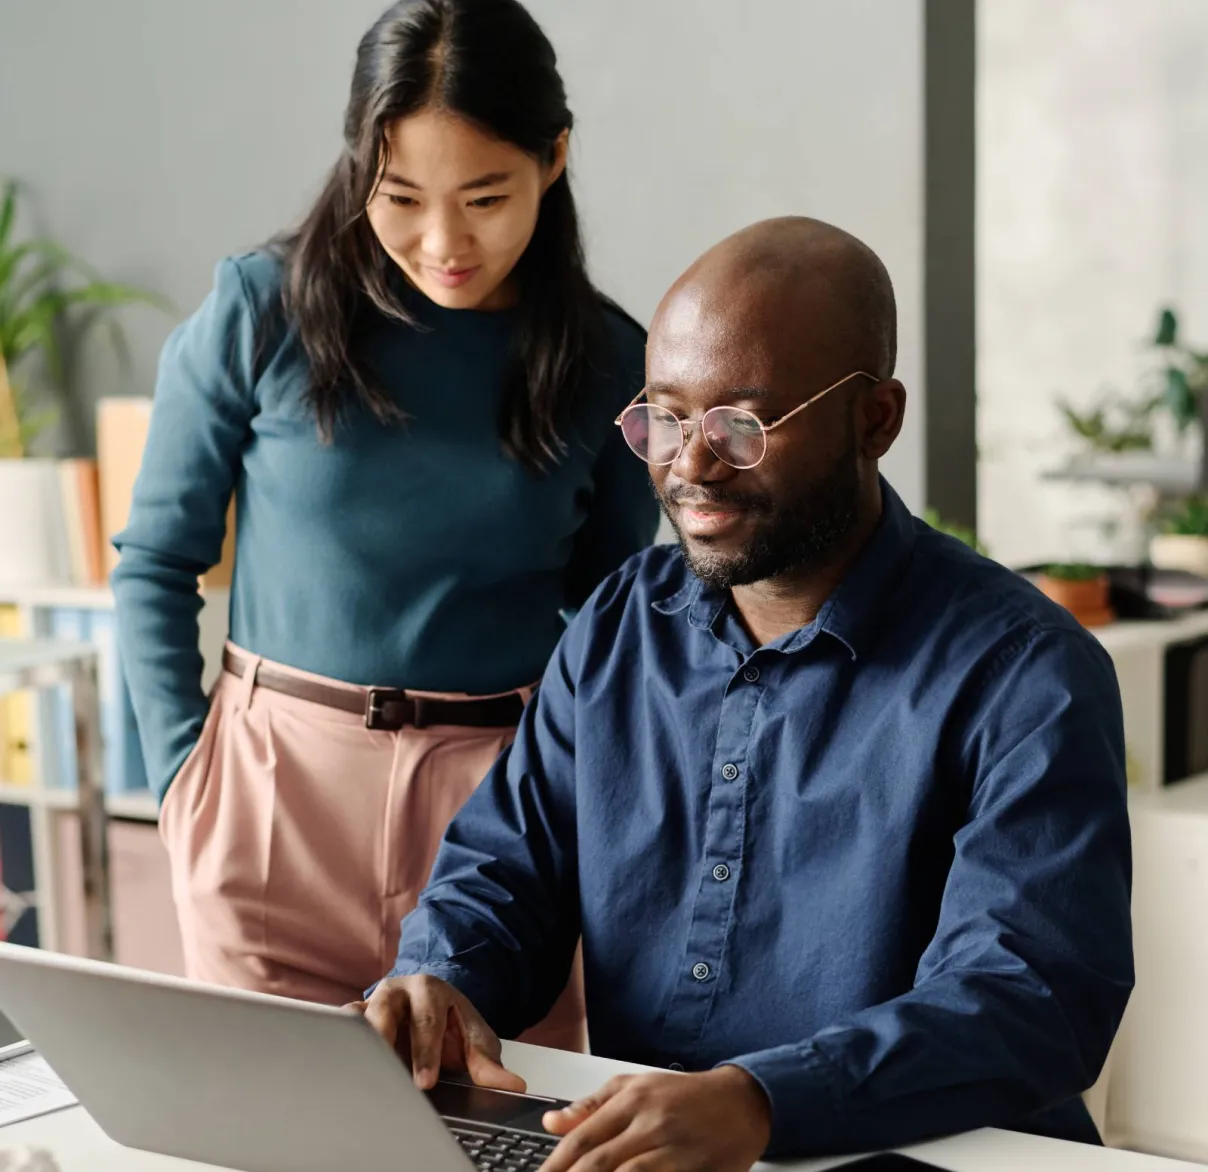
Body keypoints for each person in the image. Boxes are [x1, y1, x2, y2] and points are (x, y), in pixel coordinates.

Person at [358, 217, 1134, 1168]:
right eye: (666, 418)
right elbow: (505, 871)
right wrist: (440, 977)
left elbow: (1029, 997)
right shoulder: (620, 625)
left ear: (876, 420)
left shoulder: (1025, 671)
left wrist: (764, 1103)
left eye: (743, 425)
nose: (691, 465)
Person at [110, 0, 657, 1042]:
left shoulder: (609, 363)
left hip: (499, 825)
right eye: (400, 196)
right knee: (266, 1116)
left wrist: (578, 809)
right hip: (274, 797)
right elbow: (155, 562)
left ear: (553, 158)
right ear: (359, 161)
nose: (443, 242)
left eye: (485, 198)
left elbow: (607, 628)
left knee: (495, 1116)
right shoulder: (261, 309)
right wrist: (185, 777)